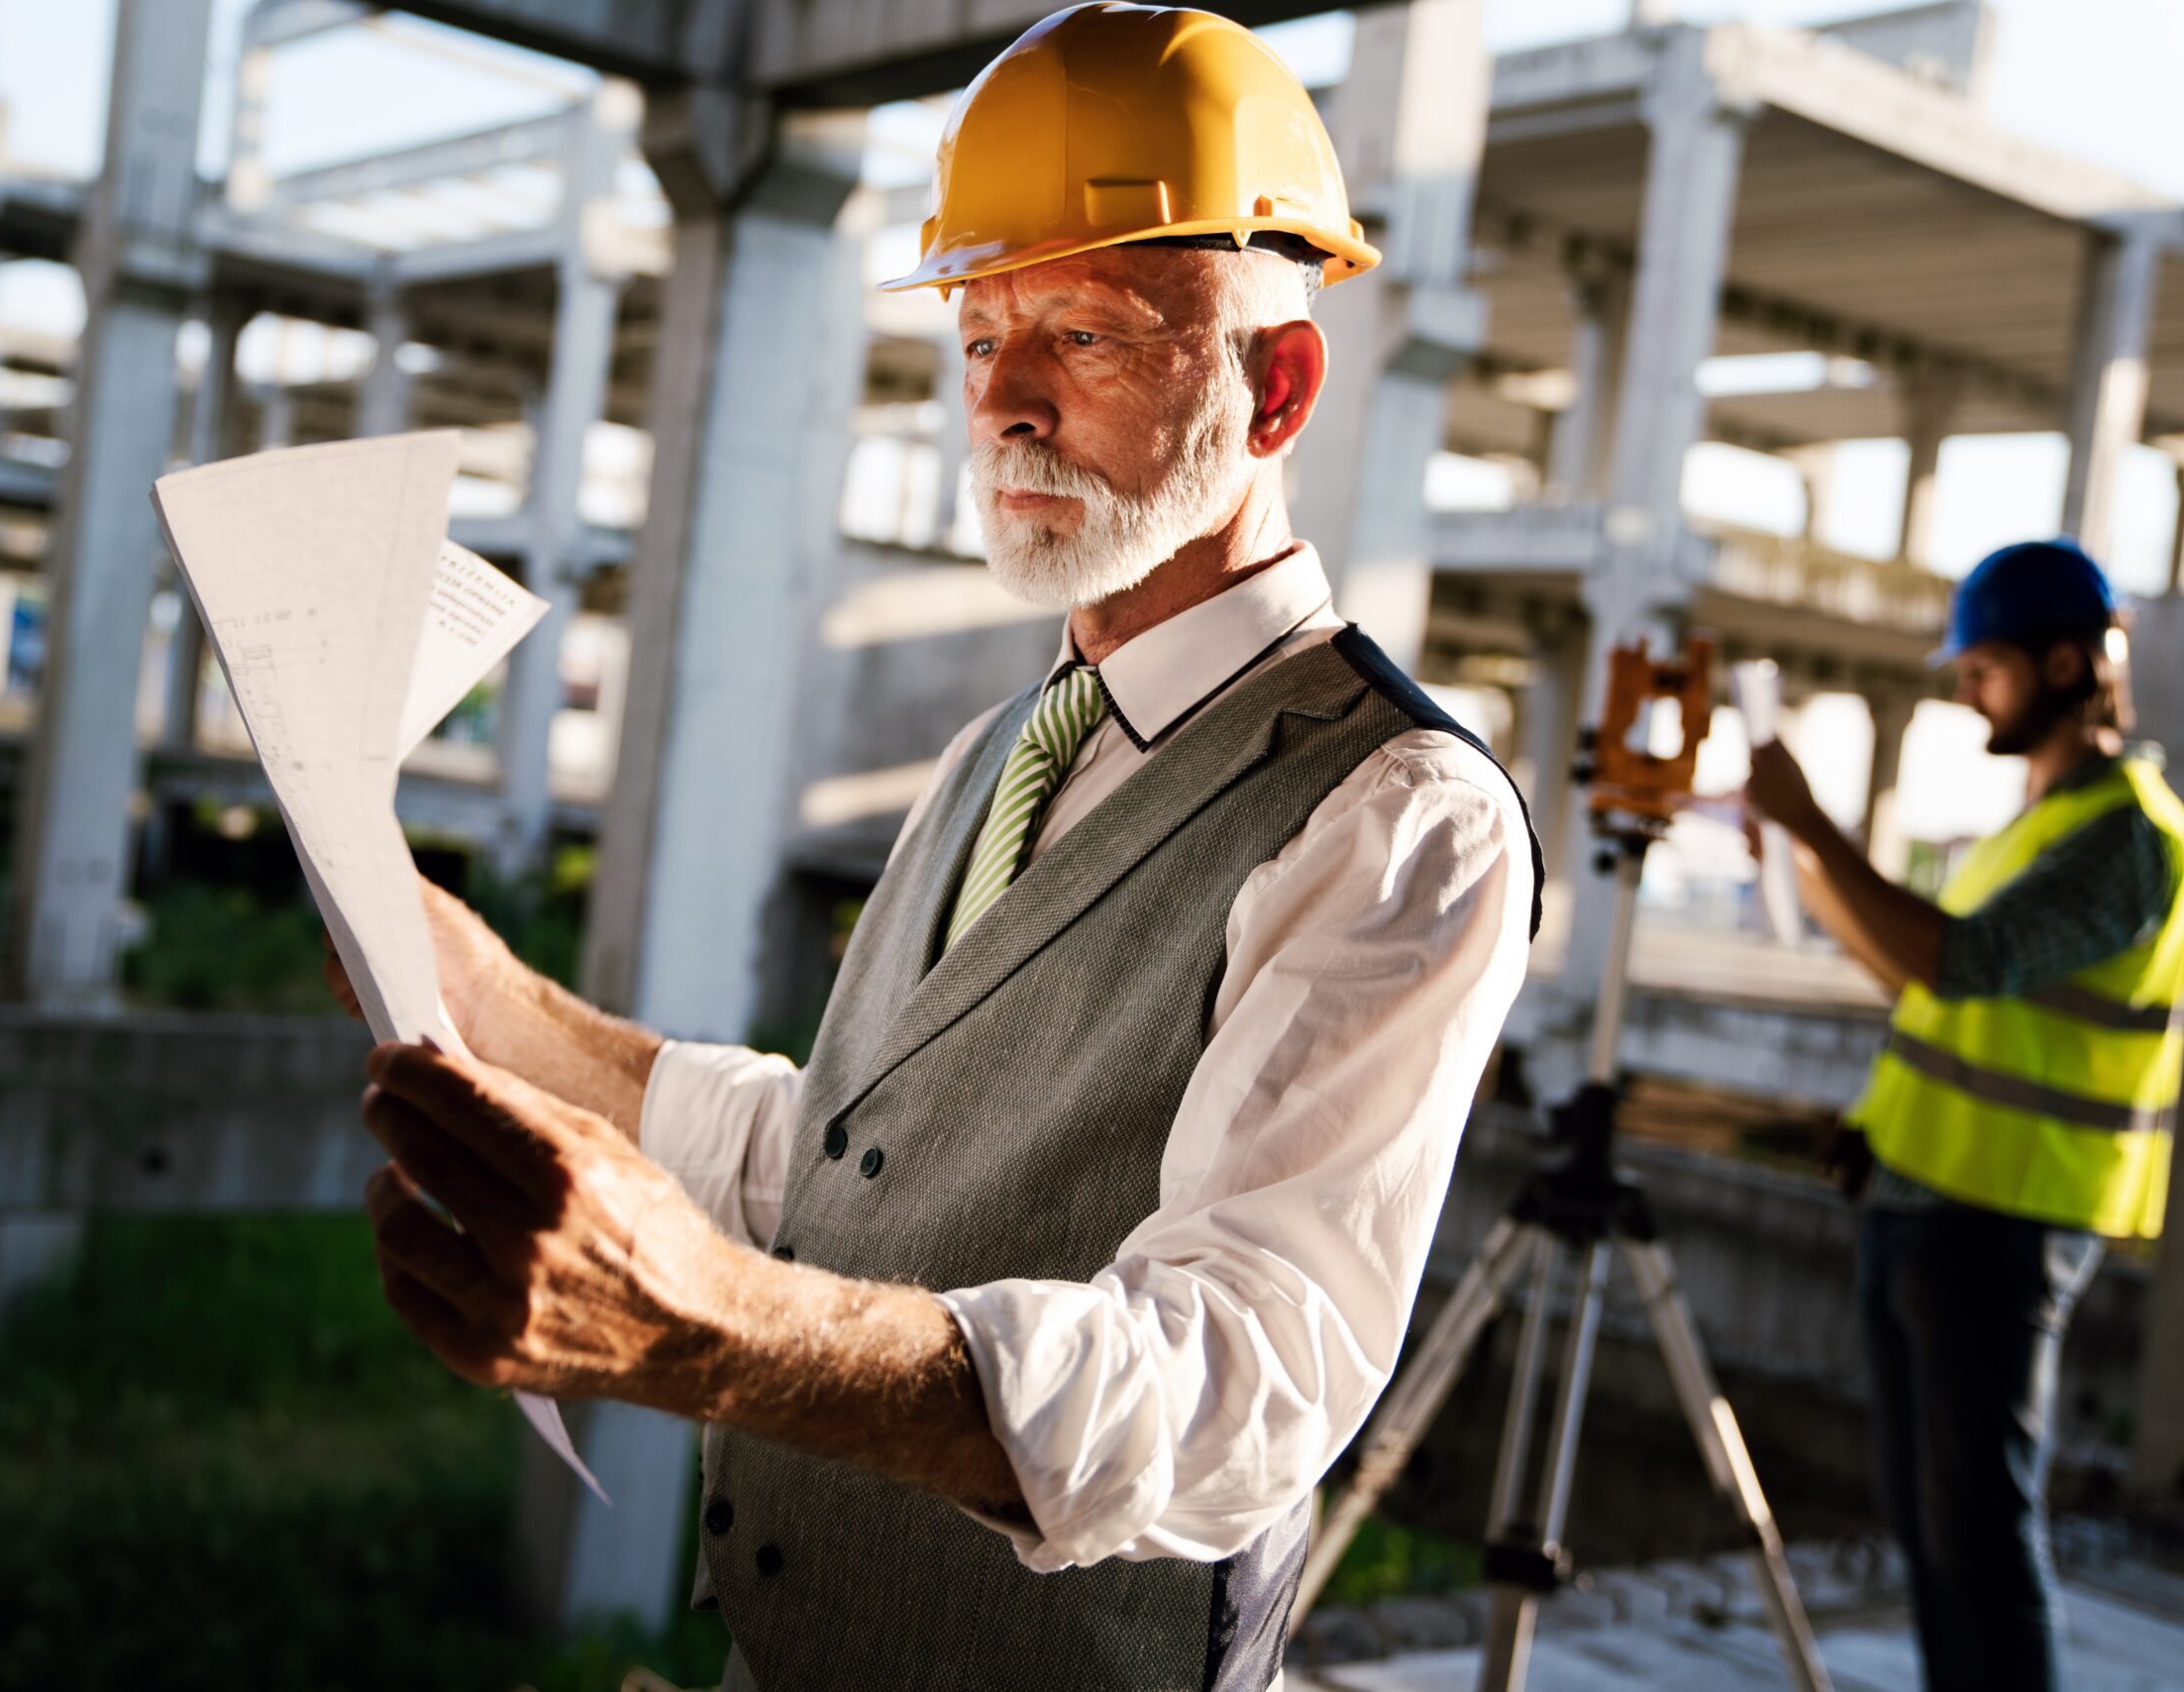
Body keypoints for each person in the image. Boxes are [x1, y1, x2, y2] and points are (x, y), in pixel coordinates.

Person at [329, 9, 1542, 1689]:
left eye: (1086, 333)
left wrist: (712, 1328)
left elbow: (1233, 1386)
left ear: (1277, 384)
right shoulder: (1000, 749)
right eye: (979, 335)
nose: (1007, 401)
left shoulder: (1398, 814)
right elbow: (851, 1164)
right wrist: (477, 983)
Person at [1743, 538, 2184, 1692]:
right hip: (1922, 1198)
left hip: (2003, 1225)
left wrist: (1812, 822)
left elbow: (1954, 960)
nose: (1963, 686)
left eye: (1984, 665)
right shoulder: (2032, 824)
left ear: (2066, 663)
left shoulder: (2127, 838)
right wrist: (1801, 865)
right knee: (1935, 1536)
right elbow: (1913, 975)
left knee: (1979, 1539)